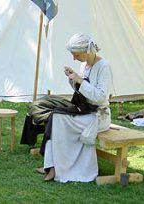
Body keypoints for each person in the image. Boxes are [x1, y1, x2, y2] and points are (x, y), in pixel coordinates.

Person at [39, 33, 113, 182]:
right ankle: (52, 165)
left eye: (76, 55)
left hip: (98, 116)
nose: (74, 58)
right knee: (56, 117)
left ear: (86, 52)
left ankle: (58, 166)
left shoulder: (104, 66)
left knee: (58, 120)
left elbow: (100, 97)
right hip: (85, 111)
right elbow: (81, 91)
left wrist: (79, 79)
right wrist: (73, 79)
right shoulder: (84, 65)